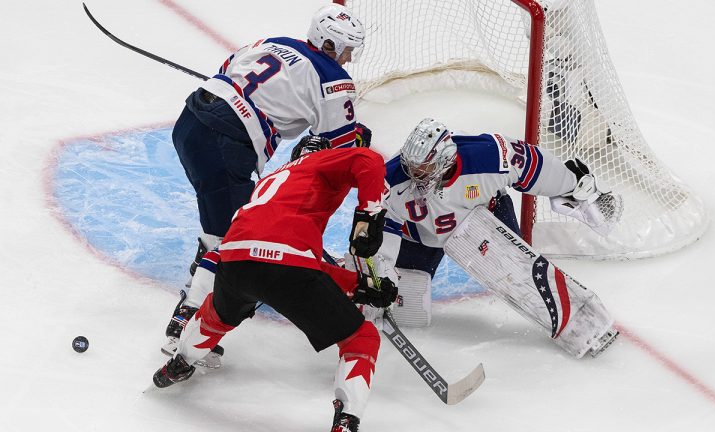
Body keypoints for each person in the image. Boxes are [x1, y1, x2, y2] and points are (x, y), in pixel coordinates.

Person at [163, 3, 373, 365]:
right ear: (329, 45)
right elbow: (338, 146)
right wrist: (359, 138)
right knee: (236, 237)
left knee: (228, 222)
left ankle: (203, 275)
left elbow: (227, 69)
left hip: (190, 123)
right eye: (347, 50)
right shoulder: (333, 80)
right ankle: (184, 324)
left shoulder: (274, 42)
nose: (349, 59)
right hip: (224, 142)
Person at [153, 136, 397, 432]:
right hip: (286, 264)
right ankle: (346, 422)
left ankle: (179, 363)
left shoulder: (272, 180)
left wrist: (357, 285)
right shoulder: (319, 161)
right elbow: (368, 160)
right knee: (361, 339)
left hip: (235, 258)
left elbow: (285, 257)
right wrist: (370, 215)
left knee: (216, 315)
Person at [371, 118, 622, 355]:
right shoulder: (390, 179)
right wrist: (379, 271)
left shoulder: (489, 157)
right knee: (405, 305)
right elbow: (381, 225)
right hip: (421, 237)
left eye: (422, 167)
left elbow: (534, 166)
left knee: (519, 273)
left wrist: (574, 187)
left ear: (444, 161)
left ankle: (585, 325)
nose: (413, 172)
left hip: (485, 220)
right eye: (411, 164)